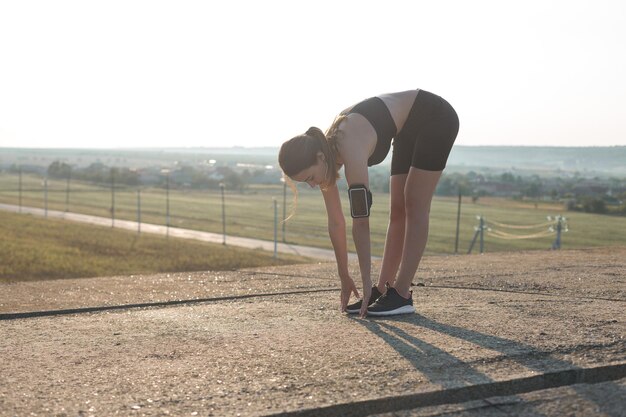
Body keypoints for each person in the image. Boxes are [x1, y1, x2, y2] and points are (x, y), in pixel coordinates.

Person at [278, 89, 459, 318]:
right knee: (397, 209)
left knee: (414, 201)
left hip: (435, 117)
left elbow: (360, 222)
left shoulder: (347, 144)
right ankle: (382, 290)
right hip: (407, 129)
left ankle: (402, 294)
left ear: (319, 158)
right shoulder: (323, 154)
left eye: (310, 178)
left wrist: (365, 280)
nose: (313, 185)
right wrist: (344, 276)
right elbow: (336, 223)